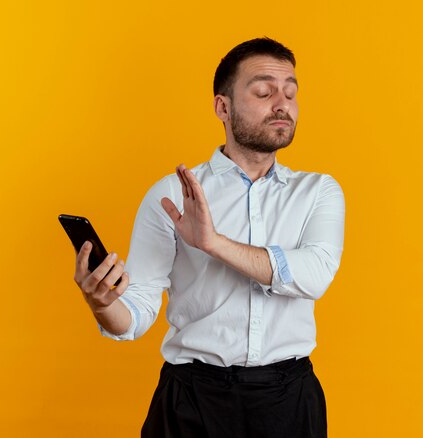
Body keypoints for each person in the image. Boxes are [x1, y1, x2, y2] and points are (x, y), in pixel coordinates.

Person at [73, 37, 345, 438]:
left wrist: (212, 242)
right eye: (264, 90)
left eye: (290, 91)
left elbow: (314, 275)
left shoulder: (318, 191)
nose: (282, 103)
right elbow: (135, 312)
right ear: (223, 107)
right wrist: (101, 304)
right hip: (191, 400)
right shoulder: (171, 195)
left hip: (288, 401)